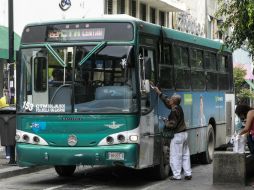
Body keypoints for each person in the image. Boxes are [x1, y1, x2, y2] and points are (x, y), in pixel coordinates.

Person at [152, 85, 192, 180]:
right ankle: (188, 173)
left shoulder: (174, 111)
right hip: (184, 134)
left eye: (171, 99)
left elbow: (172, 125)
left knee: (175, 155)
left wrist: (166, 122)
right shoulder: (178, 107)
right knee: (185, 155)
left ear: (173, 101)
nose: (169, 99)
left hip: (177, 135)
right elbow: (166, 101)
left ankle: (177, 175)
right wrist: (159, 92)